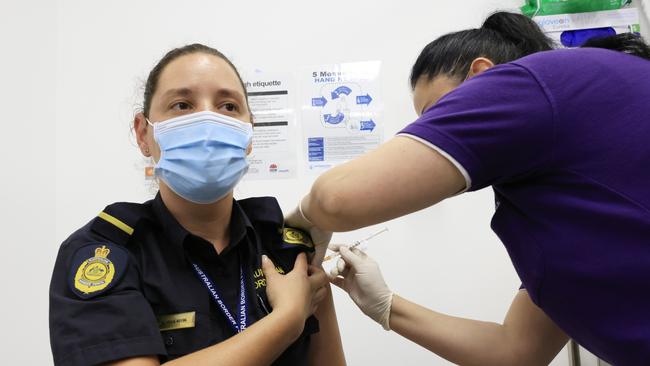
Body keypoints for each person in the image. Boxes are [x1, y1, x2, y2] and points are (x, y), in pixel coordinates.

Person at [286, 12, 650, 366]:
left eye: (436, 114)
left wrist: (304, 218)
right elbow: (516, 351)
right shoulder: (550, 193)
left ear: (483, 75)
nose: (434, 131)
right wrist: (385, 304)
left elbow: (338, 198)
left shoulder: (532, 81)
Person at [49, 44, 346, 366]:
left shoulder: (285, 246)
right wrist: (287, 320)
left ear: (249, 134)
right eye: (182, 105)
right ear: (143, 133)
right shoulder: (107, 252)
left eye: (229, 106)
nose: (208, 121)